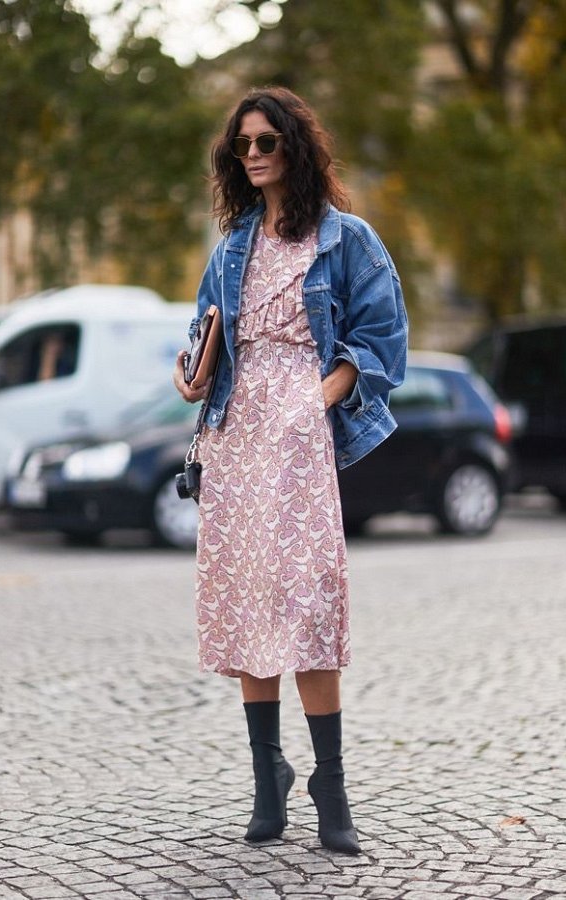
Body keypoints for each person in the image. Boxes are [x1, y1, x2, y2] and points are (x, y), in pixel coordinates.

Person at [173, 86, 407, 855]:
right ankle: (267, 776)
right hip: (237, 434)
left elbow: (383, 340)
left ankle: (330, 786)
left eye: (266, 141)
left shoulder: (347, 240)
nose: (253, 154)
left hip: (300, 432)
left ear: (295, 148)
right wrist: (191, 373)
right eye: (242, 145)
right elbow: (205, 331)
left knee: (307, 597)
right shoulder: (232, 245)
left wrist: (319, 399)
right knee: (250, 600)